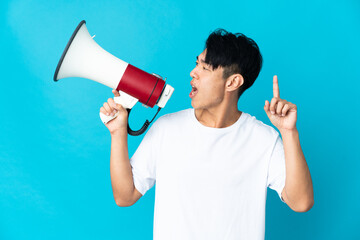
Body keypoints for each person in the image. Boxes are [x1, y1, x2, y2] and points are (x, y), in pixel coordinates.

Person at [99, 29, 314, 240]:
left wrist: (288, 132)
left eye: (205, 67)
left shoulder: (263, 139)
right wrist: (118, 132)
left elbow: (301, 202)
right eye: (196, 63)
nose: (193, 72)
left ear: (232, 82)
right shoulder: (166, 129)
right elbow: (125, 196)